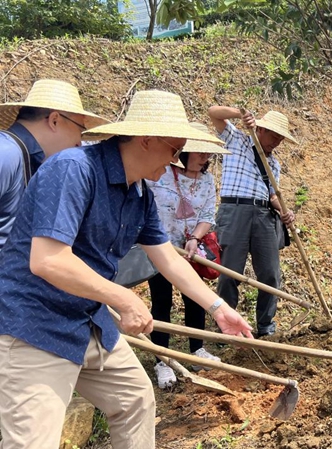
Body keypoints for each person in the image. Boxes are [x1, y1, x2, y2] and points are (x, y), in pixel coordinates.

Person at [0, 90, 254, 449]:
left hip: (88, 321)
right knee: (32, 442)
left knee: (135, 399)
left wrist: (220, 309)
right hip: (35, 325)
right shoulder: (73, 170)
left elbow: (166, 258)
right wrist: (123, 298)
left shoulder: (139, 195)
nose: (174, 163)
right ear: (147, 140)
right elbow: (48, 260)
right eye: (173, 150)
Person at [145, 122, 231, 389]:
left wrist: (194, 238)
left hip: (190, 249)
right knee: (162, 303)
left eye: (207, 153)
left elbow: (207, 215)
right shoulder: (159, 174)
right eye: (198, 151)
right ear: (182, 152)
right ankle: (163, 359)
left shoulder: (206, 180)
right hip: (159, 248)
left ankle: (197, 350)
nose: (204, 157)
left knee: (195, 298)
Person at [208, 105, 296, 337]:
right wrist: (239, 114)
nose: (275, 142)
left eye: (280, 139)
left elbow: (272, 195)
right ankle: (226, 326)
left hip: (264, 216)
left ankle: (266, 325)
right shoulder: (237, 140)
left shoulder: (273, 164)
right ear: (262, 130)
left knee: (270, 274)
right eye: (273, 136)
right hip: (234, 210)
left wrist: (285, 212)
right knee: (229, 273)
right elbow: (213, 113)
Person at [0, 79, 109, 250]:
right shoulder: (6, 153)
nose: (80, 143)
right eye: (80, 130)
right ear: (54, 120)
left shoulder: (28, 159)